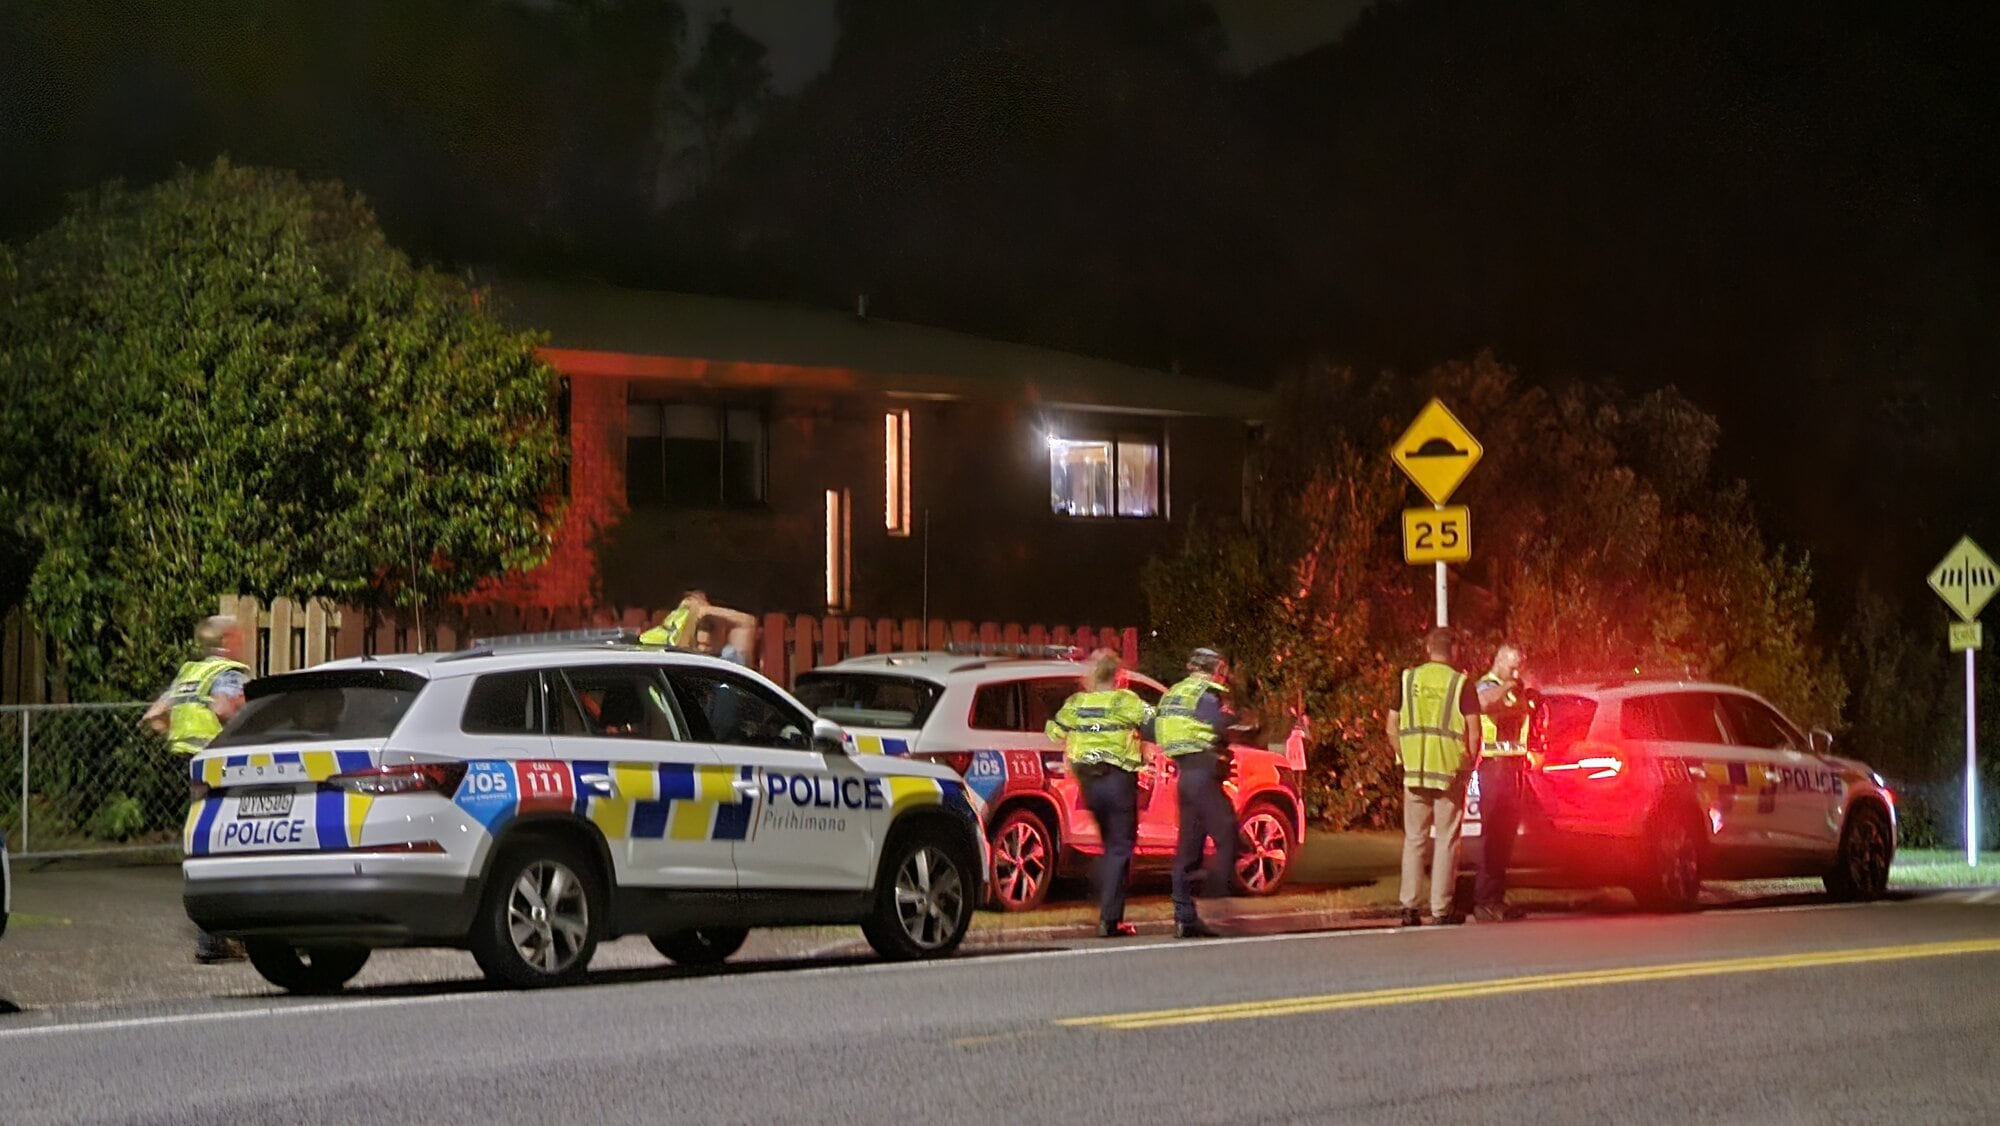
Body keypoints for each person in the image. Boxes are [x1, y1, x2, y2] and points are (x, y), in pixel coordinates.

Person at [142, 615, 250, 963]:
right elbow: (224, 710)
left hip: (195, 770)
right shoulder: (229, 673)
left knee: (206, 847)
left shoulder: (190, 673)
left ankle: (215, 939)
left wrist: (185, 737)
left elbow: (154, 717)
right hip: (225, 768)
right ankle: (223, 938)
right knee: (234, 847)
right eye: (239, 636)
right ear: (228, 640)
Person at [1045, 649, 1154, 938]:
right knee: (1120, 848)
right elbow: (1156, 723)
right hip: (1118, 780)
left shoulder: (1077, 703)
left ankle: (1103, 899)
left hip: (1089, 784)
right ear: (1119, 676)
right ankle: (1110, 919)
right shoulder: (1126, 700)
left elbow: (1053, 731)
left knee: (1111, 847)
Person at [1385, 627, 1482, 927]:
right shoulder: (1461, 683)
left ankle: (1408, 908)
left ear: (1428, 649)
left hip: (1414, 773)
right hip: (1449, 773)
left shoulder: (1408, 679)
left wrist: (1406, 756)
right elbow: (1475, 732)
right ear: (1453, 652)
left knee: (1414, 839)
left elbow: (1391, 727)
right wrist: (1469, 765)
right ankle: (1440, 909)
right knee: (1446, 841)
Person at [1157, 647, 1240, 939]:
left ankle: (1185, 917)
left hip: (1185, 774)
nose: (1224, 673)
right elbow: (1220, 725)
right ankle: (1218, 896)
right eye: (1221, 667)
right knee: (1228, 831)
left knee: (1188, 851)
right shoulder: (1206, 695)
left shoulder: (1175, 692)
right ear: (1211, 667)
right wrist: (1237, 720)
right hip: (1204, 772)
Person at [1474, 643, 1532, 923]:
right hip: (1494, 767)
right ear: (1498, 661)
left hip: (1513, 768)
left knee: (1505, 839)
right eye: (1513, 666)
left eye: (1520, 666)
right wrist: (1509, 685)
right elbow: (1484, 703)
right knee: (1493, 837)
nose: (1517, 672)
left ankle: (1495, 899)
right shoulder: (1487, 684)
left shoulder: (1514, 688)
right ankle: (1485, 901)